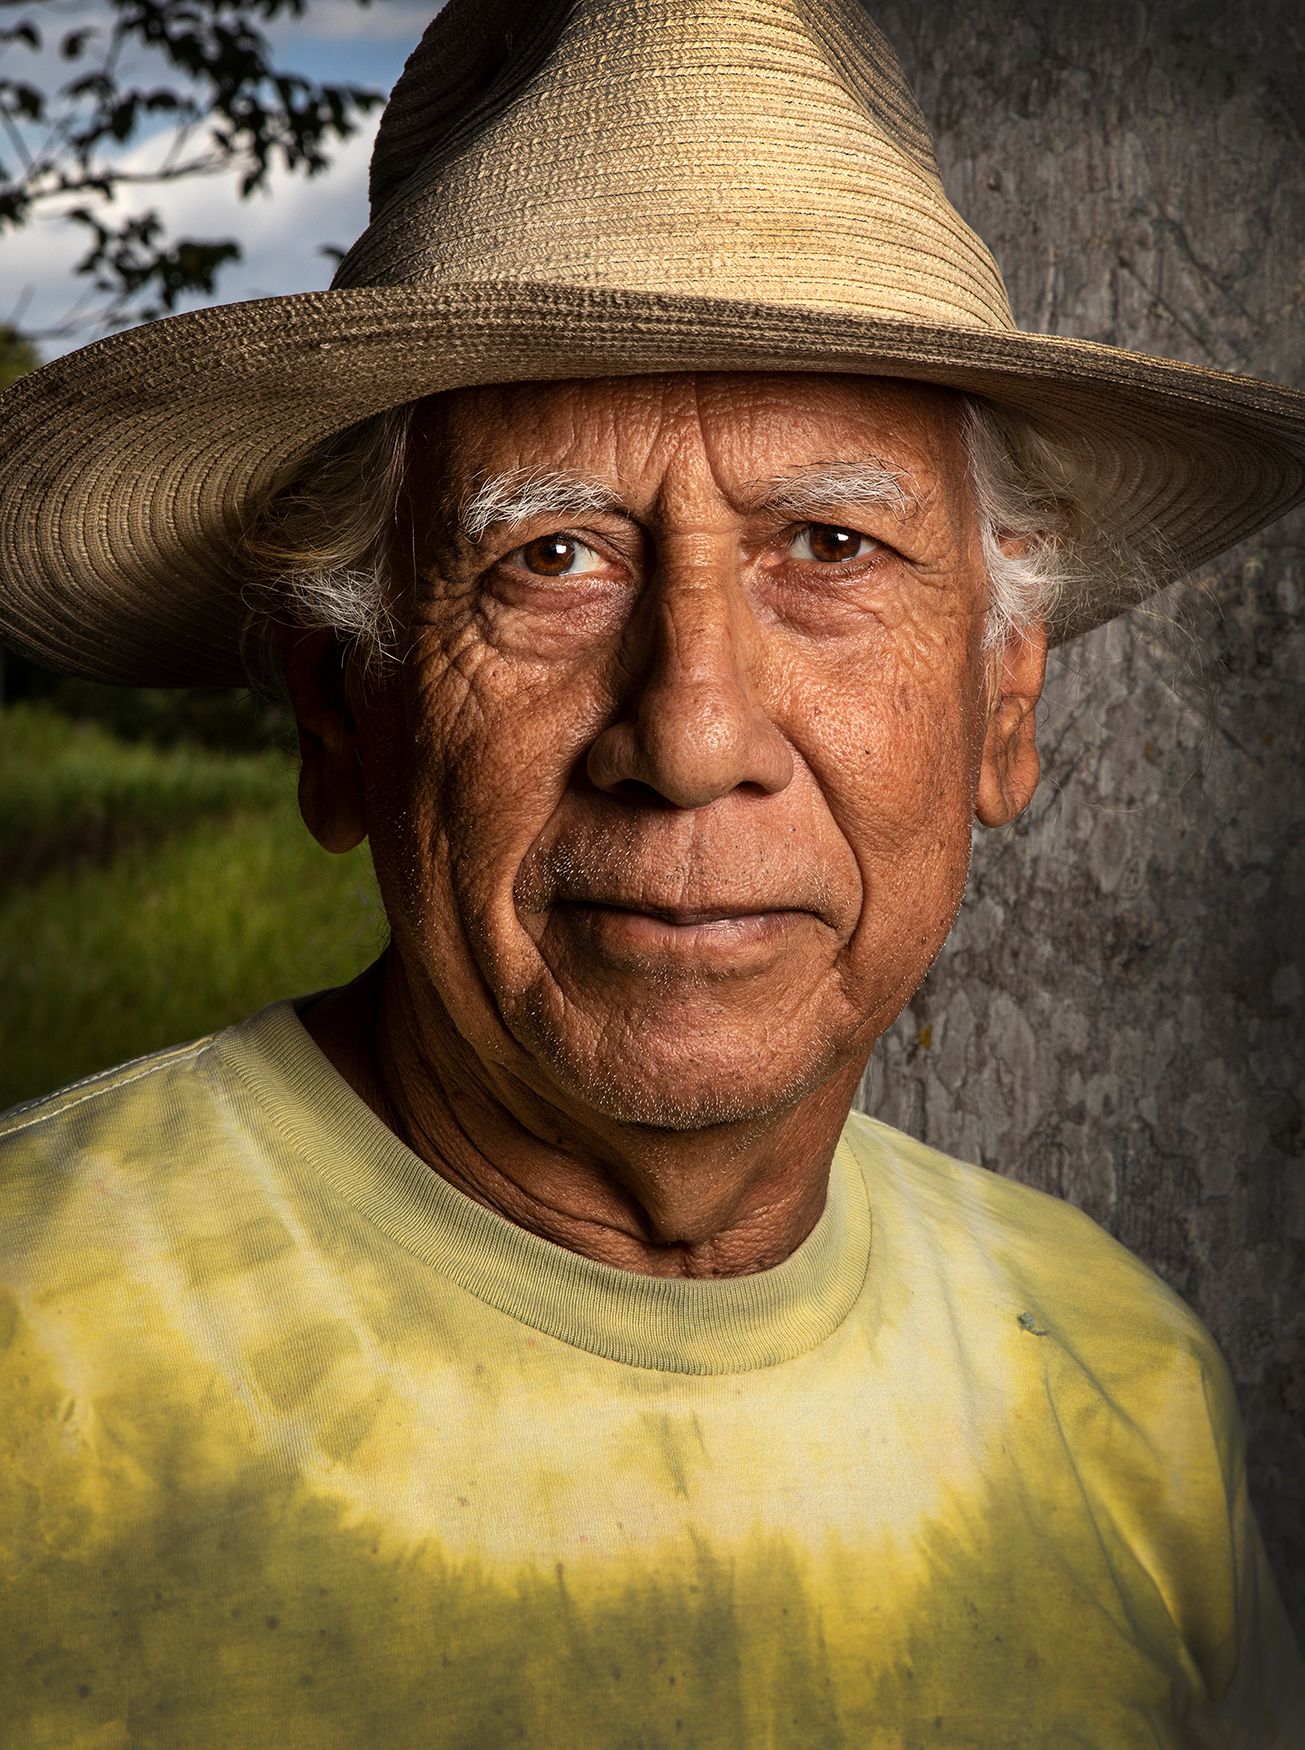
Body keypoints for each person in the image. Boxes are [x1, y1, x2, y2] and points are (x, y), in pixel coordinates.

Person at [1, 0, 1302, 1742]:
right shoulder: (31, 1344)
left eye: (828, 545)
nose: (689, 734)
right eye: (549, 557)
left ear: (1003, 699)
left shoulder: (1120, 1381)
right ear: (341, 709)